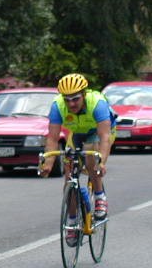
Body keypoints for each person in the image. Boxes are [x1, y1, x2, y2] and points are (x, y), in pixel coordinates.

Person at [40, 73, 116, 245]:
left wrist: (102, 162)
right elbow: (52, 138)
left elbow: (105, 137)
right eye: (67, 100)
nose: (71, 104)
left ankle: (99, 197)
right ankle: (73, 221)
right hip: (77, 134)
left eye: (75, 99)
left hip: (98, 133)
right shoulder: (57, 106)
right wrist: (48, 163)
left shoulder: (97, 104)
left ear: (84, 95)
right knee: (69, 177)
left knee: (91, 158)